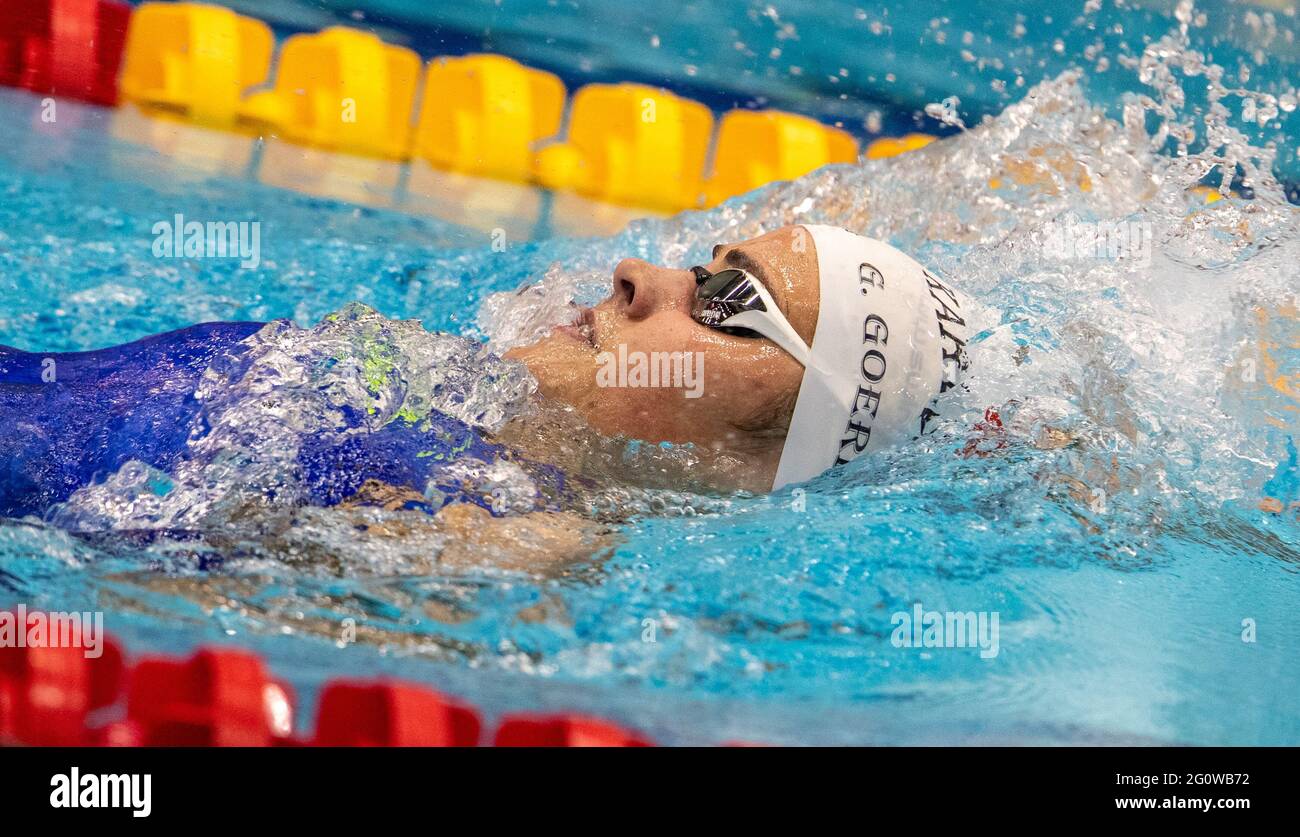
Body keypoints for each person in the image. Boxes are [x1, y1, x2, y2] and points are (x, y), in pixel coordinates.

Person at [0, 225, 969, 563]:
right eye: (698, 264)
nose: (639, 274)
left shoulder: (510, 536)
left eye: (729, 301)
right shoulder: (444, 388)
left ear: (760, 458)